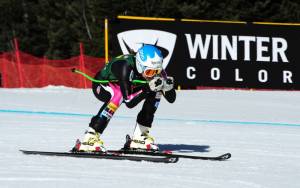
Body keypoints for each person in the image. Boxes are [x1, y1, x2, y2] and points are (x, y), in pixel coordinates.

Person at [75, 44, 176, 152]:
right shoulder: (125, 67)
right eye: (150, 72)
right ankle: (90, 137)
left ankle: (140, 136)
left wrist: (168, 87)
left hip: (126, 86)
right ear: (140, 65)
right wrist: (147, 87)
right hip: (102, 85)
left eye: (157, 71)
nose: (153, 75)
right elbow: (129, 102)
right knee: (118, 94)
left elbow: (171, 99)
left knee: (157, 88)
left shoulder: (155, 69)